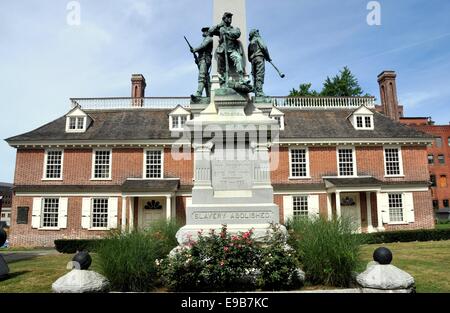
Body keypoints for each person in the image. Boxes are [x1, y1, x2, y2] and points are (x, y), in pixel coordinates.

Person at [208, 12, 245, 85]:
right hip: (222, 50)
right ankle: (223, 79)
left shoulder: (234, 29)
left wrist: (227, 32)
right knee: (221, 66)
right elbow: (210, 31)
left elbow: (237, 34)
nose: (230, 19)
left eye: (230, 17)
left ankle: (241, 79)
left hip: (232, 50)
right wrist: (219, 25)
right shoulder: (220, 29)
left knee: (238, 58)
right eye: (228, 17)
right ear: (224, 19)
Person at [248, 29, 272, 97]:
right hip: (259, 58)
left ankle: (257, 92)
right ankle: (259, 91)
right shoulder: (258, 39)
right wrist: (268, 57)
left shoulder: (250, 44)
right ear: (255, 33)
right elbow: (264, 47)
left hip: (253, 60)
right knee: (260, 74)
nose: (258, 33)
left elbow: (248, 57)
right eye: (257, 32)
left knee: (255, 76)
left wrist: (253, 58)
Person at [191, 27, 213, 97]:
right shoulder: (205, 39)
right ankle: (209, 94)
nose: (203, 33)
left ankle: (199, 93)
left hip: (205, 59)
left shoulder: (209, 39)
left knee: (202, 76)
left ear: (208, 32)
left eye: (204, 31)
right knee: (206, 78)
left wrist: (195, 49)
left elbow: (203, 46)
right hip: (202, 59)